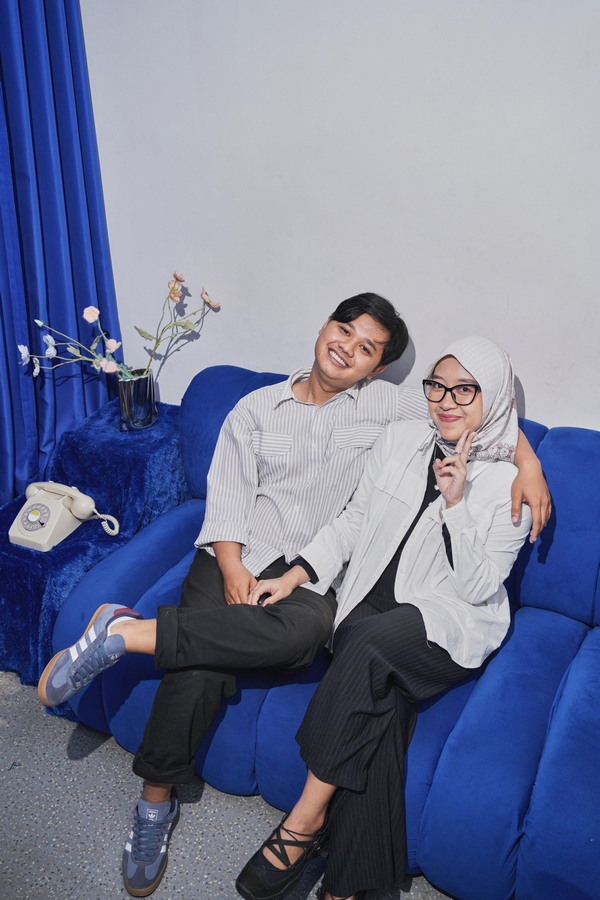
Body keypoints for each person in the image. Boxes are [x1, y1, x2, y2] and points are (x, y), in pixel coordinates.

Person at [37, 296, 548, 898]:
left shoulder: (389, 408)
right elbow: (233, 499)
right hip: (240, 550)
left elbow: (477, 410)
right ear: (325, 325)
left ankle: (129, 636)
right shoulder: (259, 409)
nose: (348, 350)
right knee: (203, 663)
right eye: (344, 331)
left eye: (367, 348)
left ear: (378, 368)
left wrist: (528, 462)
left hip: (331, 580)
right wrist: (238, 569)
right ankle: (156, 803)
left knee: (312, 634)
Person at [235, 335, 533, 900]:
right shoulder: (400, 439)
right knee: (381, 708)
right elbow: (352, 521)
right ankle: (347, 887)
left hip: (447, 621)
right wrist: (296, 575)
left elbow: (477, 588)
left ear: (492, 397)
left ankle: (304, 822)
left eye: (465, 390)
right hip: (369, 606)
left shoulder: (509, 484)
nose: (445, 401)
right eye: (437, 386)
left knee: (369, 647)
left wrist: (456, 504)